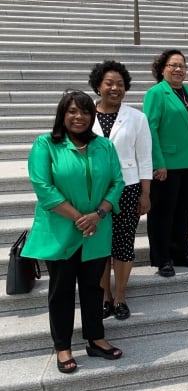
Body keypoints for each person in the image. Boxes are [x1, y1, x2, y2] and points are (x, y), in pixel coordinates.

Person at [24, 90, 125, 374]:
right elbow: (44, 188)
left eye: (84, 111)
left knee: (94, 287)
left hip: (97, 230)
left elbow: (117, 182)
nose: (78, 116)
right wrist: (81, 218)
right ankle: (63, 347)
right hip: (61, 231)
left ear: (92, 116)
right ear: (62, 115)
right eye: (72, 111)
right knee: (61, 291)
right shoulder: (46, 144)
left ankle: (95, 338)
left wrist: (99, 214)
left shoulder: (104, 146)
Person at [89, 61, 152, 321]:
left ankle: (120, 296)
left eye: (120, 84)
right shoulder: (83, 114)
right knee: (100, 244)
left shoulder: (137, 117)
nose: (115, 88)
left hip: (127, 188)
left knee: (123, 244)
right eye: (109, 83)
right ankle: (104, 296)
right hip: (93, 191)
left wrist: (145, 193)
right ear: (98, 86)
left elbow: (145, 157)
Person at [143, 49, 188, 278]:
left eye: (182, 65)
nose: (179, 69)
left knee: (183, 210)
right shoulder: (156, 93)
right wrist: (157, 162)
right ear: (162, 69)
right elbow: (150, 128)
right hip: (166, 164)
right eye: (173, 65)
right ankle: (162, 258)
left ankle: (181, 251)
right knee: (162, 213)